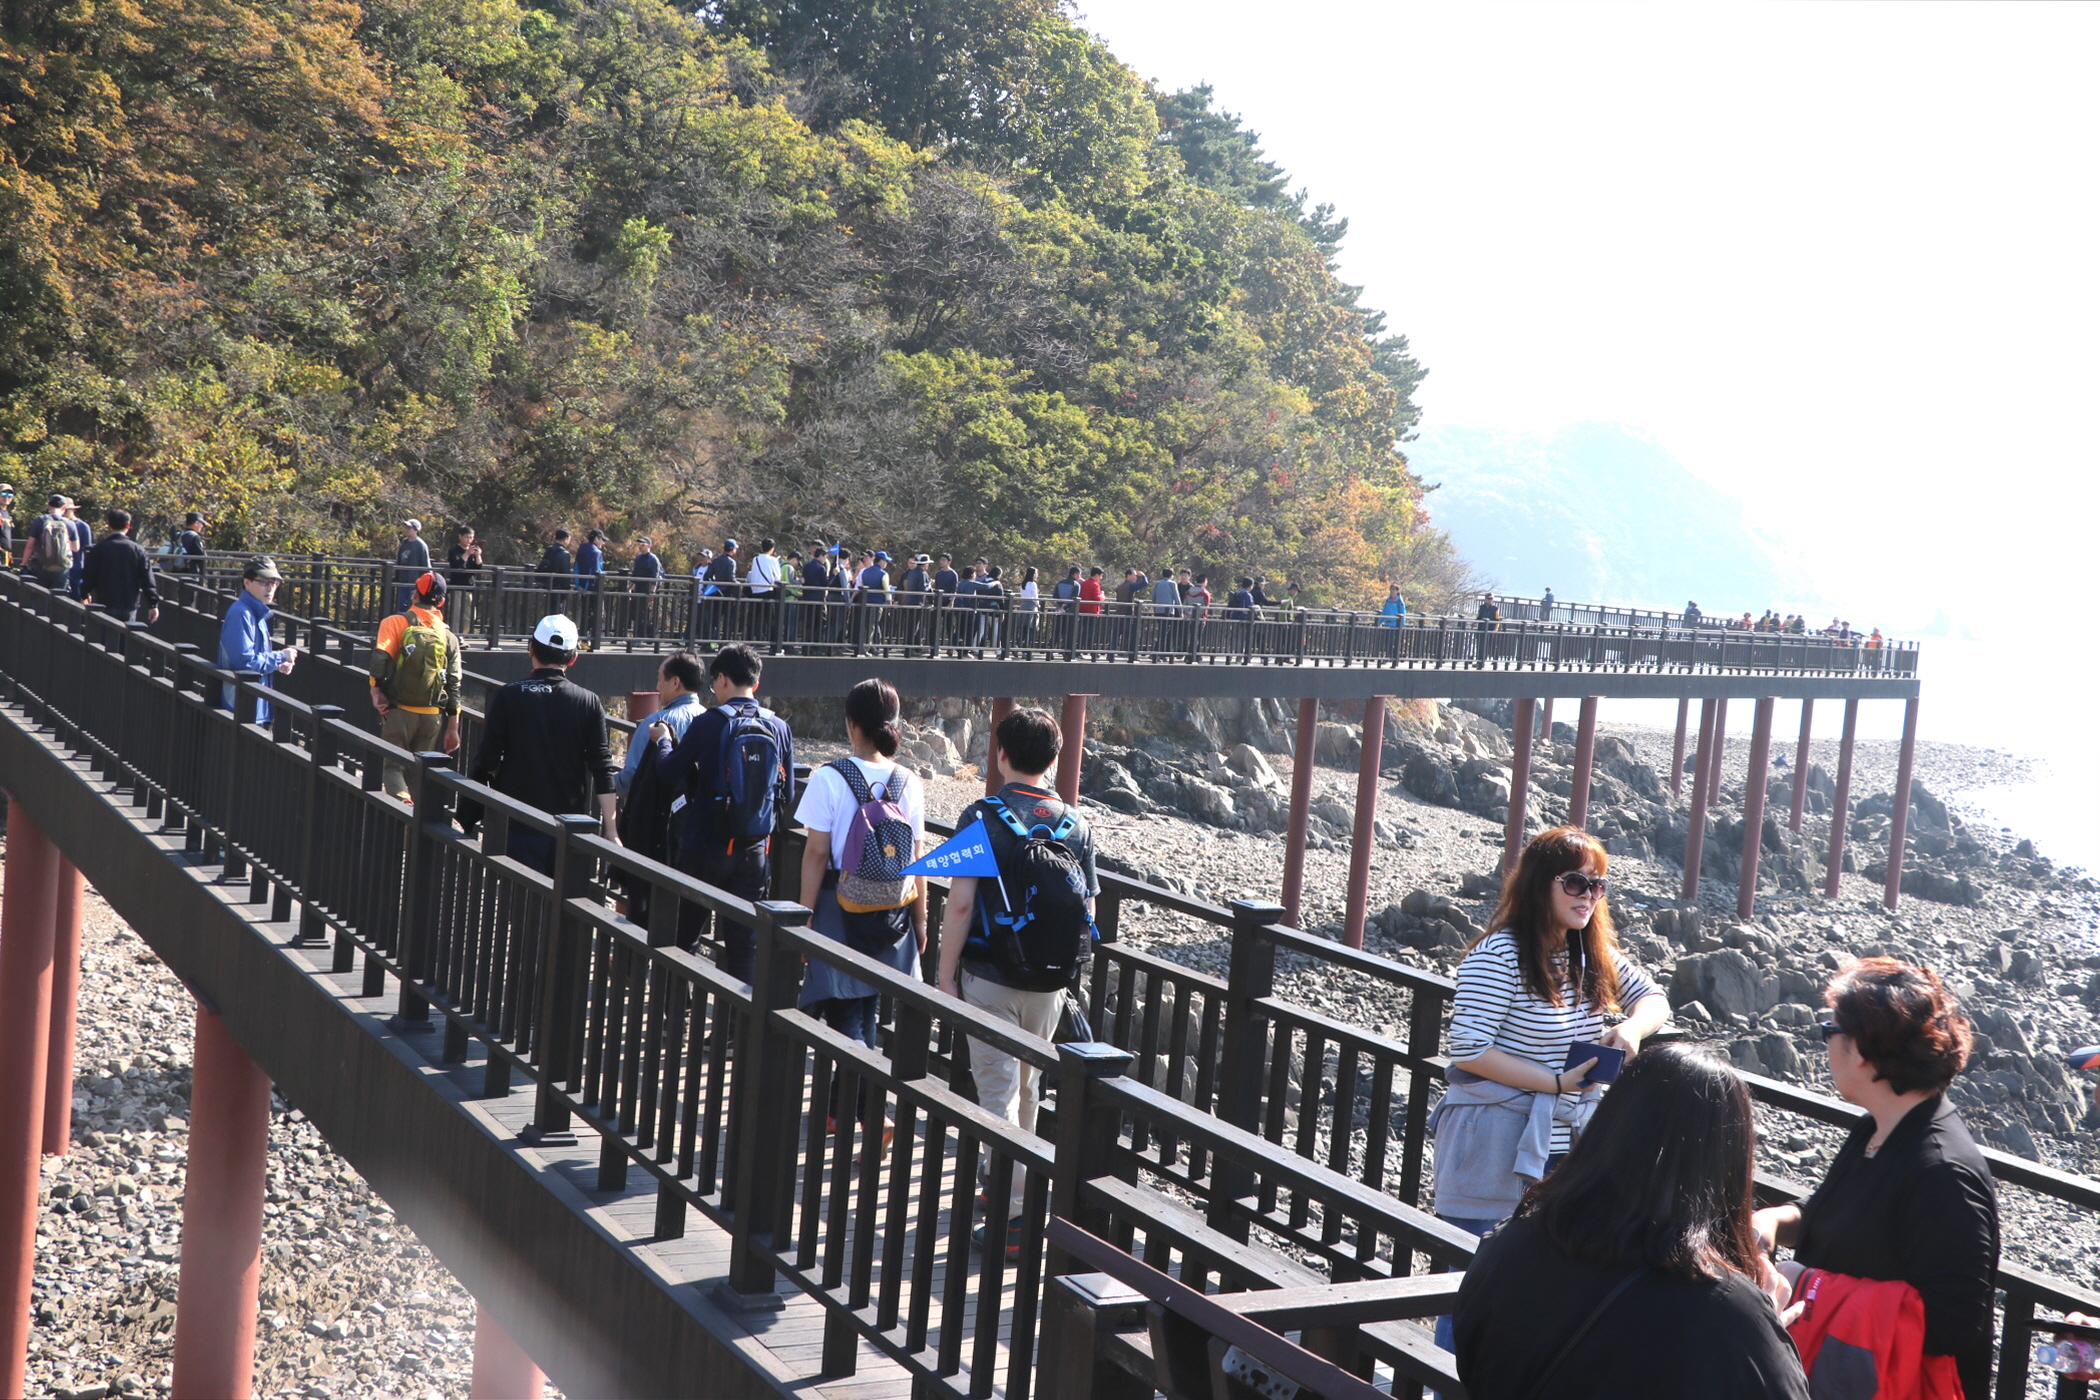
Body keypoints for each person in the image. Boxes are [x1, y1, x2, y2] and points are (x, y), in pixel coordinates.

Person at [1429, 826, 1669, 1358]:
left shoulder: (1589, 954)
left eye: (1598, 886)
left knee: (1547, 1275)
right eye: (1576, 882)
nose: (1589, 896)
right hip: (1493, 1134)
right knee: (1474, 1274)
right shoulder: (1500, 954)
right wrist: (1554, 1082)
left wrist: (1630, 1030)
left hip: (1562, 1140)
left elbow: (1654, 998)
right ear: (1542, 884)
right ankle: (1446, 1382)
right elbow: (1468, 1049)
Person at [1453, 1045, 1811, 1400]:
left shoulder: (1508, 1245)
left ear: (1608, 1129)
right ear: (1727, 1165)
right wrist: (1766, 1336)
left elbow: (1471, 1362)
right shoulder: (1727, 1314)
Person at [1753, 958, 1998, 1400]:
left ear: (1863, 1051)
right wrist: (1772, 1221)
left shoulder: (1944, 1173)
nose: (1825, 1045)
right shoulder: (1879, 1127)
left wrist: (1807, 1286)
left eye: (1831, 1032)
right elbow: (1836, 1217)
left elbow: (1953, 1325)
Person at [938, 706, 1099, 1258]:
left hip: (990, 977)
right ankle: (1015, 1195)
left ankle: (1012, 1217)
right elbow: (1088, 912)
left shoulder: (981, 816)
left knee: (996, 1097)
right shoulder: (1076, 824)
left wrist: (943, 976)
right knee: (1030, 1089)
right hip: (1051, 986)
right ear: (1054, 760)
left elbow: (960, 905)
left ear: (1001, 755)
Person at [794, 679, 926, 1125]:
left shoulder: (829, 777)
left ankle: (874, 1112)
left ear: (851, 724)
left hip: (837, 903)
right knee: (865, 1004)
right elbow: (918, 858)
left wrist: (805, 916)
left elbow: (815, 853)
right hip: (893, 909)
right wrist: (922, 922)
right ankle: (839, 1110)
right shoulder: (908, 781)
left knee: (845, 1007)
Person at [650, 644, 793, 976]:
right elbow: (786, 792)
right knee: (744, 946)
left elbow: (668, 771)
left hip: (705, 846)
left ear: (724, 680)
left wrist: (663, 741)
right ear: (755, 684)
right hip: (755, 852)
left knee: (683, 936)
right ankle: (735, 1027)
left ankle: (675, 1012)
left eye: (715, 682)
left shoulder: (711, 722)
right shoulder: (779, 728)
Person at [460, 614, 618, 875]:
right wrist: (611, 830)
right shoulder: (589, 702)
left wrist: (471, 808)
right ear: (573, 658)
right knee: (561, 908)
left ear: (530, 648)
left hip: (515, 820)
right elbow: (602, 768)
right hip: (569, 827)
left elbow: (487, 759)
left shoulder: (509, 695)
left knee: (518, 903)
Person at [367, 572, 464, 803]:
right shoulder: (449, 637)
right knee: (419, 769)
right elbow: (454, 684)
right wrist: (452, 728)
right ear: (441, 602)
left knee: (392, 767)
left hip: (399, 710)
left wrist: (375, 691)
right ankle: (420, 816)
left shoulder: (394, 622)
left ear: (414, 594)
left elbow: (380, 658)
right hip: (432, 716)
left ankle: (402, 804)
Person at [215, 556, 298, 722]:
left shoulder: (257, 612)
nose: (270, 588)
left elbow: (255, 659)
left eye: (274, 582)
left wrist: (277, 664)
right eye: (264, 582)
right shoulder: (241, 613)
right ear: (247, 583)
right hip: (239, 707)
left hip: (252, 705)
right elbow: (245, 663)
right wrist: (281, 656)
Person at [81, 509, 160, 624]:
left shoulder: (99, 548)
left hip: (105, 602)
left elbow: (89, 574)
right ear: (128, 525)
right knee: (125, 638)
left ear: (109, 525)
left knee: (104, 637)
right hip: (129, 603)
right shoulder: (137, 550)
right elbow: (147, 579)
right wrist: (153, 604)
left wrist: (85, 593)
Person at [22, 493, 75, 592]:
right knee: (59, 598)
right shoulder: (70, 523)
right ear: (64, 508)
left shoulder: (39, 521)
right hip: (62, 567)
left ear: (48, 506)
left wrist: (23, 564)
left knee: (39, 595)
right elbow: (76, 547)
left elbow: (30, 546)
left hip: (41, 566)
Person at [445, 525, 483, 636]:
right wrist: (466, 554)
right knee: (456, 615)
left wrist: (478, 555)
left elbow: (478, 568)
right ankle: (456, 637)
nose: (469, 540)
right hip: (457, 587)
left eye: (471, 538)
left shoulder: (472, 551)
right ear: (460, 537)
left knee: (471, 616)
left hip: (469, 587)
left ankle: (462, 635)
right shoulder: (454, 551)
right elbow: (457, 566)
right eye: (467, 537)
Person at [393, 519, 431, 610]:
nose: (406, 529)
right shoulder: (404, 543)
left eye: (409, 527)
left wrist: (425, 582)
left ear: (416, 530)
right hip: (402, 580)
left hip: (414, 582)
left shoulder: (420, 545)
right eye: (406, 527)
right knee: (401, 605)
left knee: (411, 606)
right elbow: (399, 560)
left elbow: (426, 565)